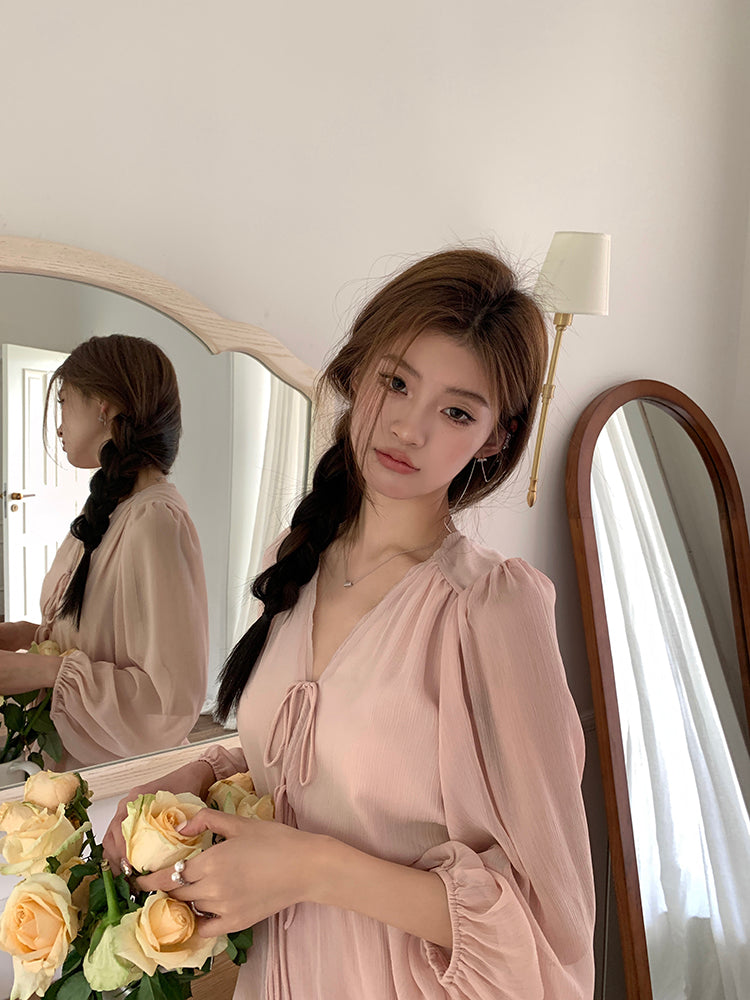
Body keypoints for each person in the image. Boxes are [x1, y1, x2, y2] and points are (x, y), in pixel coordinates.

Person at [104, 249, 595, 999]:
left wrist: (316, 868)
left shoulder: (492, 609)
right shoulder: (295, 561)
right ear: (357, 372)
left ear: (496, 438)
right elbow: (328, 765)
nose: (408, 427)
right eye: (396, 382)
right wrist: (205, 773)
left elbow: (550, 927)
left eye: (457, 412)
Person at [0, 334, 209, 769]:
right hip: (73, 763)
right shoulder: (111, 508)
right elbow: (105, 644)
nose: (59, 426)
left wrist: (43, 671)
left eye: (63, 402)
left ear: (104, 407)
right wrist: (26, 635)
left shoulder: (155, 521)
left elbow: (168, 703)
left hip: (111, 778)